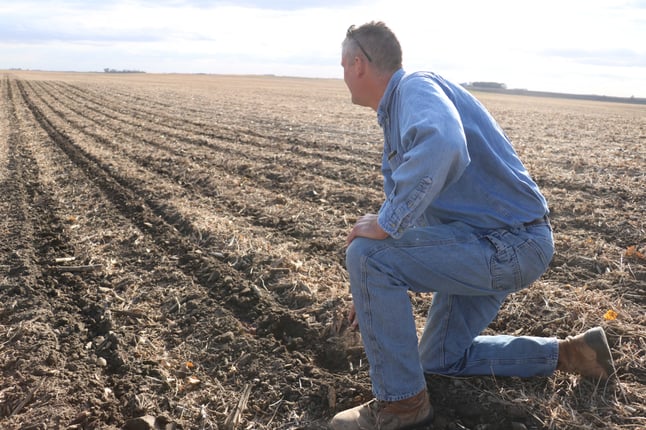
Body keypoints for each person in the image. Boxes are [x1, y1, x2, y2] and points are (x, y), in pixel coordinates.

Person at [331, 21, 615, 430]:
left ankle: (402, 408)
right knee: (439, 359)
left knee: (367, 253)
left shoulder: (414, 87)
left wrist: (386, 227)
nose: (341, 75)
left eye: (342, 64)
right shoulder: (398, 113)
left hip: (505, 244)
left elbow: (443, 143)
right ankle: (571, 354)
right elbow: (408, 201)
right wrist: (368, 290)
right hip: (496, 242)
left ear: (358, 63)